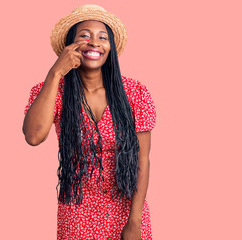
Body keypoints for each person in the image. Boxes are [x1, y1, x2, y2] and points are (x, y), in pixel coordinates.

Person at [22, 4, 156, 240]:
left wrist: (134, 221)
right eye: (84, 36)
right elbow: (33, 136)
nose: (94, 43)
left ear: (110, 48)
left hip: (125, 211)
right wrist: (56, 73)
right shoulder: (54, 91)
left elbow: (142, 160)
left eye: (102, 37)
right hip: (77, 213)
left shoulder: (135, 93)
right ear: (69, 46)